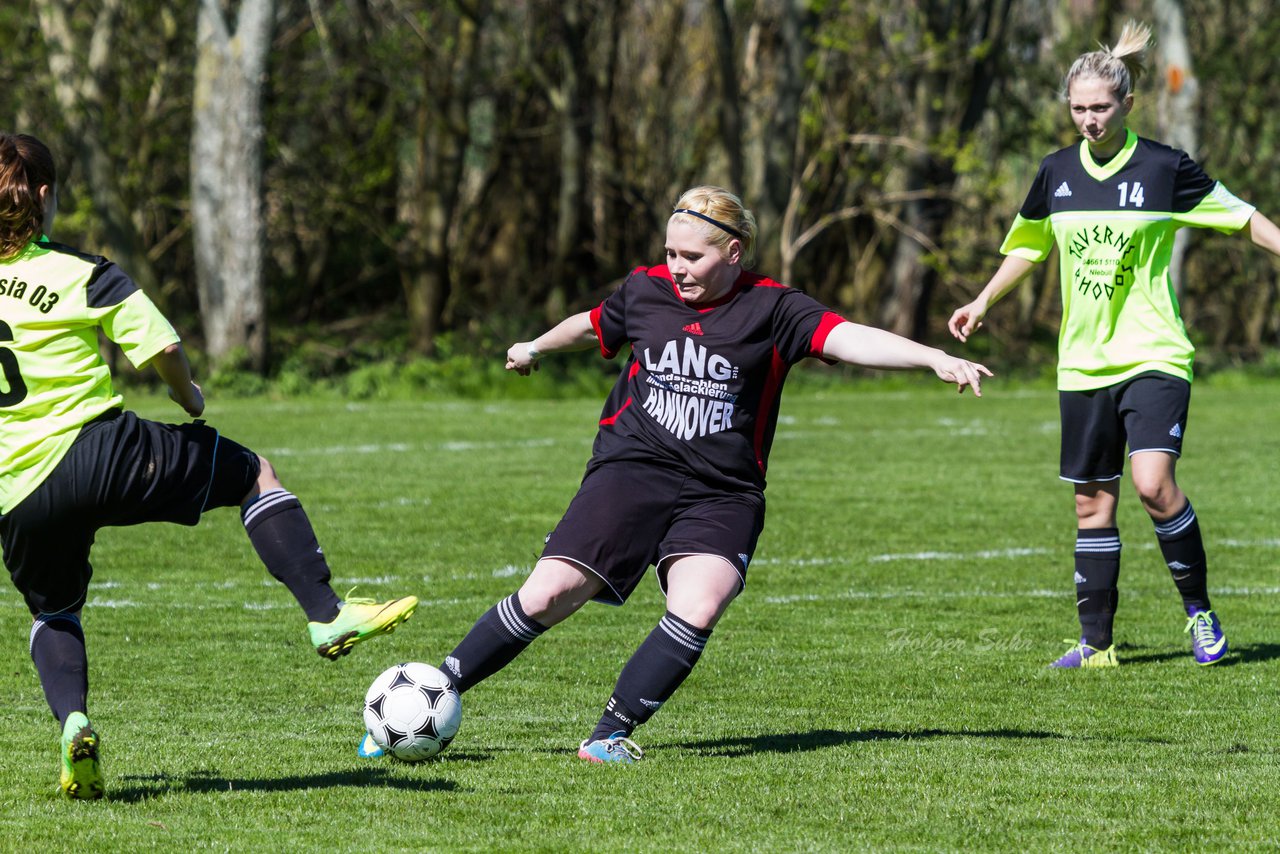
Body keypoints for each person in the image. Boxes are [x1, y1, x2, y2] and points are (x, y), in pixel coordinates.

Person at [360, 185, 991, 763]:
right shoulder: (646, 289)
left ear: (734, 252)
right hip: (633, 467)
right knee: (550, 592)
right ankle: (429, 693)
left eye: (691, 256)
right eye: (670, 254)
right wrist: (534, 347)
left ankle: (608, 735)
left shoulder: (774, 309)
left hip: (723, 491)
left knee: (701, 601)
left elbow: (850, 337)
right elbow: (593, 323)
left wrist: (931, 357)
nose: (677, 268)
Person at [0, 133, 419, 800]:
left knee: (54, 612)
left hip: (16, 492)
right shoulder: (80, 271)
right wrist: (185, 393)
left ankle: (75, 722)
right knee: (254, 472)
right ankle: (325, 612)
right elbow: (162, 342)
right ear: (44, 197)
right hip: (103, 452)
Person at [948, 22, 1280, 669]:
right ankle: (1095, 647)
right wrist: (983, 299)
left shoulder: (1163, 168)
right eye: (1078, 108)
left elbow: (1241, 216)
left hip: (1154, 353)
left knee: (1153, 483)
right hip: (1082, 363)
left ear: (1128, 104)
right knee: (1091, 502)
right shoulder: (1056, 173)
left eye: (1100, 107)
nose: (1089, 120)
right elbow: (1027, 245)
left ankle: (1201, 615)